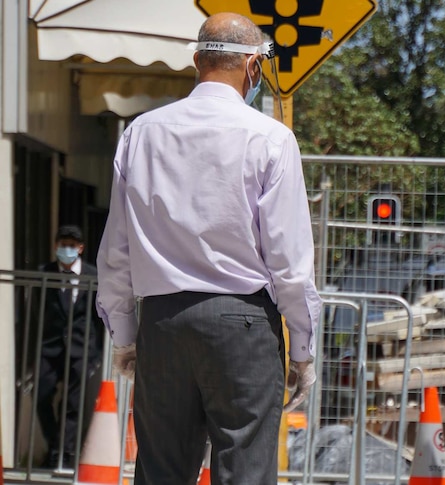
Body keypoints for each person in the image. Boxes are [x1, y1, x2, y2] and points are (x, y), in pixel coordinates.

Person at [96, 12, 322, 485]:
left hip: (163, 320)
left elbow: (116, 250)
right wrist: (302, 346)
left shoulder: (141, 133)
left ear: (197, 60)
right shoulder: (272, 138)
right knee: (244, 469)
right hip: (243, 325)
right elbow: (289, 260)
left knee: (160, 470)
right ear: (253, 67)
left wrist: (124, 334)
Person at [36, 224, 102, 468]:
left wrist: (95, 354)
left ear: (81, 248)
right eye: (63, 244)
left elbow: (98, 316)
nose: (67, 249)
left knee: (72, 405)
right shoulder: (45, 271)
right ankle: (55, 446)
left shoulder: (92, 274)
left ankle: (67, 454)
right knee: (42, 397)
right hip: (50, 348)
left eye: (72, 246)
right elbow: (37, 311)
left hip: (81, 348)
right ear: (56, 246)